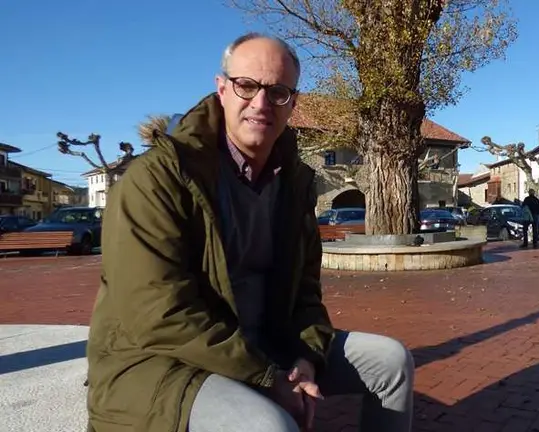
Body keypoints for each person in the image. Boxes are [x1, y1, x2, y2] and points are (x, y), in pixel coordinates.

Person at [85, 33, 414, 432]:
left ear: (292, 103)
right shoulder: (157, 179)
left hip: (266, 346)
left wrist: (306, 357)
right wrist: (267, 378)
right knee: (268, 425)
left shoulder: (294, 184)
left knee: (391, 361)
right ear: (222, 89)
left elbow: (306, 292)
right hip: (162, 361)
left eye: (277, 92)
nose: (260, 104)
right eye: (246, 86)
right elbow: (158, 313)